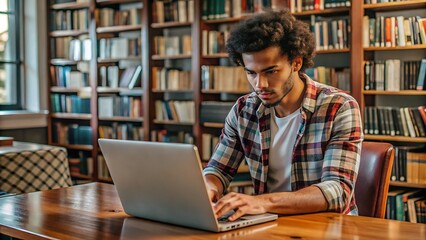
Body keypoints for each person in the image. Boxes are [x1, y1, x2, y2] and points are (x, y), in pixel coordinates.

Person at [202, 9, 363, 222]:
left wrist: (261, 202)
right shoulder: (244, 110)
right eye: (251, 73)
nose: (260, 85)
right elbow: (218, 169)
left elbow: (337, 192)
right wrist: (208, 187)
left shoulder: (339, 107)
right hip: (267, 224)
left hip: (327, 226)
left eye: (270, 71)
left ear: (296, 63)